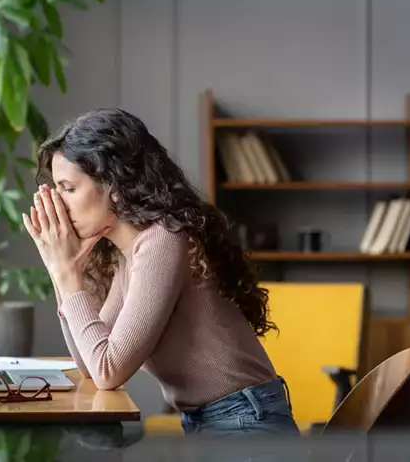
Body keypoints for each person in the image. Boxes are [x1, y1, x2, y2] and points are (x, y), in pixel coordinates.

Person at [22, 108, 299, 437]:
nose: (60, 204)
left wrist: (65, 271)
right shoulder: (129, 254)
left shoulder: (162, 240)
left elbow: (108, 370)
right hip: (220, 422)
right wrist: (63, 271)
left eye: (68, 189)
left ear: (113, 184)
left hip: (245, 422)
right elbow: (90, 365)